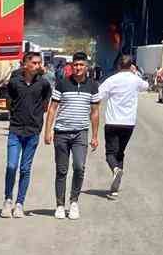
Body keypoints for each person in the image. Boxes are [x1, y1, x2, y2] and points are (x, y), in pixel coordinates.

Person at [45, 51, 100, 220]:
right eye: (75, 65)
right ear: (71, 66)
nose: (78, 68)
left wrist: (95, 136)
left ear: (86, 67)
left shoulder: (93, 86)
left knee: (79, 167)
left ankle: (74, 202)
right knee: (61, 171)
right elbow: (53, 108)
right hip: (61, 133)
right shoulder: (62, 84)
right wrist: (48, 131)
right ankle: (60, 205)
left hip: (80, 134)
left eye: (81, 65)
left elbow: (95, 112)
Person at [2, 51, 53, 218]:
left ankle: (19, 204)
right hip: (15, 130)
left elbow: (46, 104)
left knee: (25, 169)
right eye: (35, 63)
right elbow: (8, 104)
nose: (39, 66)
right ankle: (7, 200)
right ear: (26, 65)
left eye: (39, 63)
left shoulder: (44, 84)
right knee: (11, 166)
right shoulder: (14, 83)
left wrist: (37, 119)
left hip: (32, 132)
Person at [97, 54, 149, 199]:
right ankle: (115, 185)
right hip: (128, 123)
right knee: (120, 152)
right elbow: (146, 86)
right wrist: (136, 72)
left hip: (113, 121)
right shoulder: (135, 79)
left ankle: (115, 170)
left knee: (110, 154)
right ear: (131, 66)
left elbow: (99, 96)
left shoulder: (112, 80)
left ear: (118, 66)